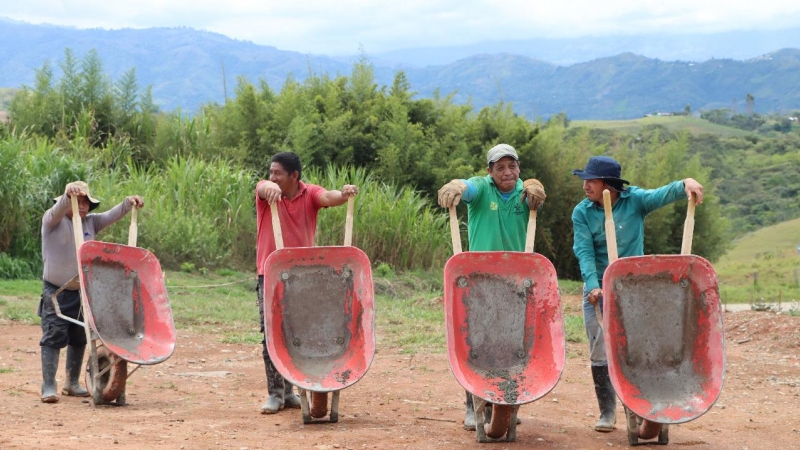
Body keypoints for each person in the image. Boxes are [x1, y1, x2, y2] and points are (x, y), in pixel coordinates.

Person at [571, 155, 704, 432]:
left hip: (634, 290)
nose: (586, 186)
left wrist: (684, 184)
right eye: (586, 180)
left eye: (591, 180)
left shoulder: (635, 201)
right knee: (600, 349)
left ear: (610, 185)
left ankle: (641, 406)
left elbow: (661, 194)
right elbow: (583, 251)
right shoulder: (582, 212)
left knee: (639, 349)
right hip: (598, 288)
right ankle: (607, 412)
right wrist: (593, 285)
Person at [437, 143, 547, 430]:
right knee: (477, 344)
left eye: (512, 166)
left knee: (515, 344)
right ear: (490, 171)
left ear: (519, 168)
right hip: (481, 282)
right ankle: (474, 406)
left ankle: (508, 404)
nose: (507, 172)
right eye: (500, 167)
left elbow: (537, 191)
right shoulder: (481, 189)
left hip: (517, 283)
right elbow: (466, 187)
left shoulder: (527, 192)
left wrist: (536, 186)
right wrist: (456, 186)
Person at [255, 151, 358, 414]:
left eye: (278, 173)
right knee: (271, 333)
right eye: (271, 172)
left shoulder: (308, 193)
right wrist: (269, 187)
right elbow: (262, 186)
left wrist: (344, 194)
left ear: (294, 176)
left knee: (299, 332)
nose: (272, 177)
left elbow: (327, 197)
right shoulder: (266, 194)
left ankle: (292, 389)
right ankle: (275, 394)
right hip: (270, 274)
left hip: (303, 278)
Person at [39, 181, 144, 403]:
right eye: (80, 201)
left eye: (87, 202)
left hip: (83, 290)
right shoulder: (52, 221)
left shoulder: (92, 223)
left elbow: (111, 215)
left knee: (80, 336)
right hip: (57, 290)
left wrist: (128, 203)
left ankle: (72, 382)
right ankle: (49, 384)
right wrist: (69, 196)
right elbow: (57, 210)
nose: (84, 206)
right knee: (54, 334)